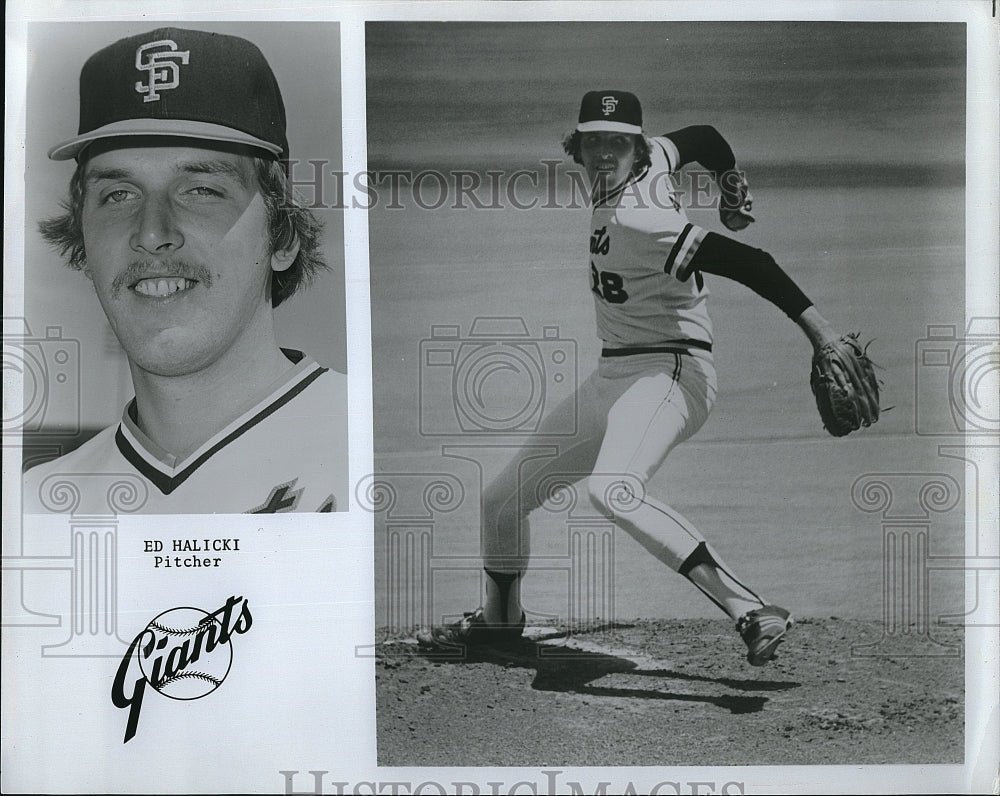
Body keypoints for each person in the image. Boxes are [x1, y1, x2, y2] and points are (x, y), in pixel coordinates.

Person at [418, 90, 850, 665]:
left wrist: (820, 333)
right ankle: (500, 625)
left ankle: (749, 608)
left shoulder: (641, 219)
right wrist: (730, 182)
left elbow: (753, 263)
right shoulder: (652, 163)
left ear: (635, 147)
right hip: (615, 375)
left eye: (616, 142)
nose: (604, 153)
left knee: (613, 490)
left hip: (672, 373)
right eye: (593, 140)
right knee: (500, 502)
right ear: (576, 147)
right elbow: (702, 136)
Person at [22, 27, 347, 514]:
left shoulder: (371, 444)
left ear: (281, 235)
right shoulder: (30, 508)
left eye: (201, 191)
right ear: (84, 243)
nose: (152, 233)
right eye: (119, 195)